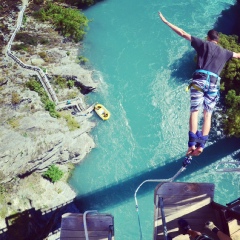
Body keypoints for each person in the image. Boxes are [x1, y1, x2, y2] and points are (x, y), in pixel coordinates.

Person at [158, 12, 240, 156]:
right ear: (218, 40)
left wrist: (166, 22)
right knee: (207, 114)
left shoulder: (203, 44)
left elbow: (183, 33)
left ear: (208, 38)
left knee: (195, 111)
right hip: (213, 84)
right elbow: (238, 55)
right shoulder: (226, 52)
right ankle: (201, 146)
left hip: (200, 81)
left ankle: (191, 144)